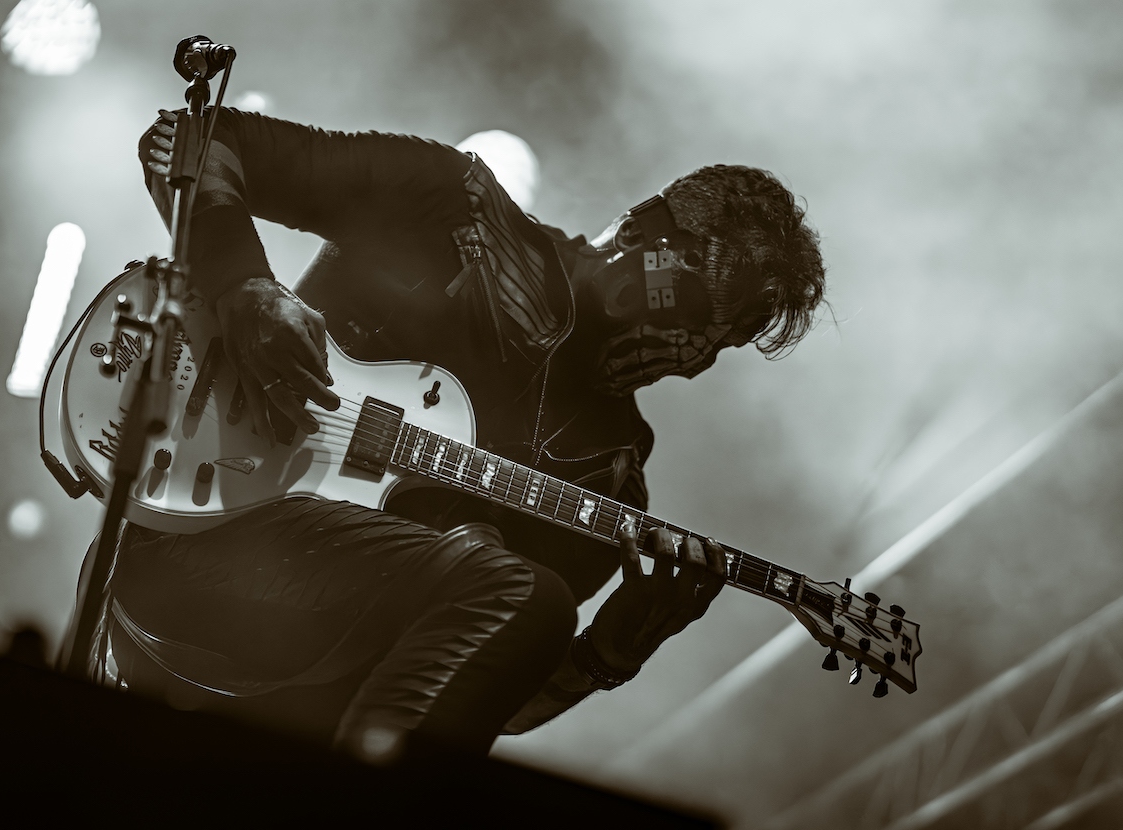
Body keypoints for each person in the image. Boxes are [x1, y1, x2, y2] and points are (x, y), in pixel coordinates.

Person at [102, 107, 826, 756]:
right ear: (643, 229)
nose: (693, 352)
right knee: (528, 595)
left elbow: (496, 697)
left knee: (528, 602)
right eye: (692, 307)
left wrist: (603, 657)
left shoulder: (611, 478)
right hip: (200, 536)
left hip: (307, 712)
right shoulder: (453, 204)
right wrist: (242, 283)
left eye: (721, 345)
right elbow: (197, 138)